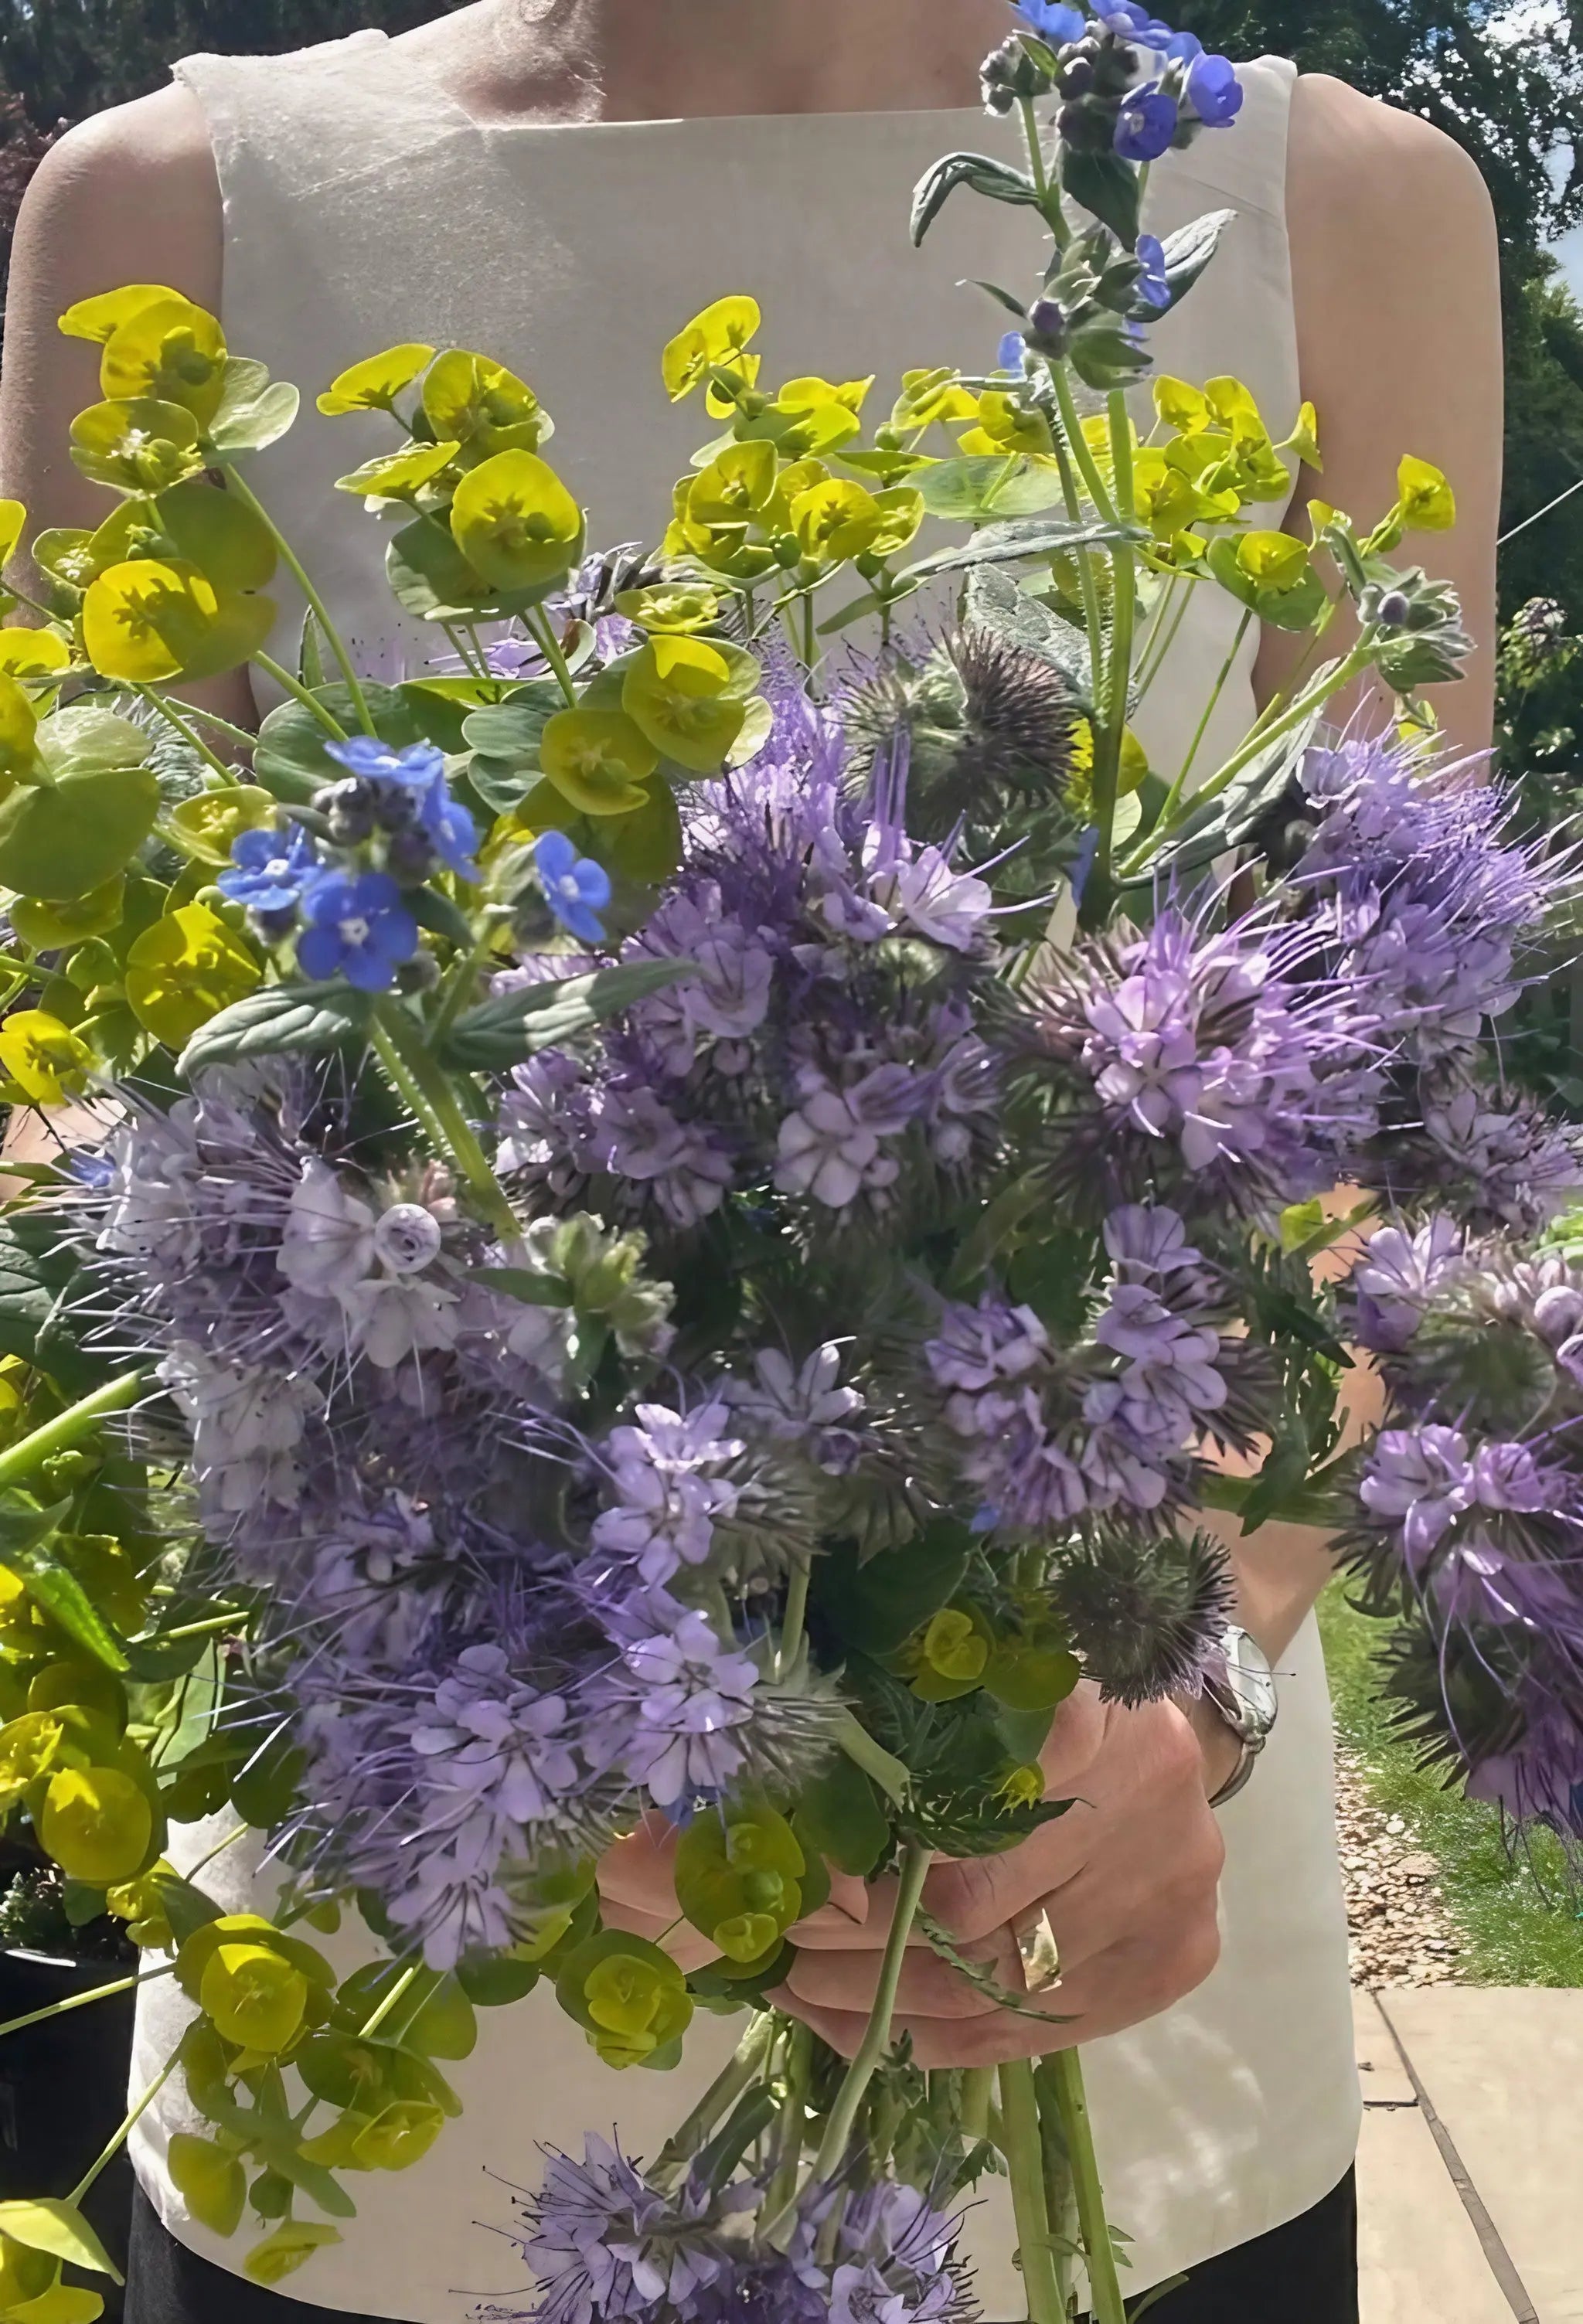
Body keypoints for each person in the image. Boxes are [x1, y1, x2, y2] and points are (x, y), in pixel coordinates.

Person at [0, 4, 1501, 2320]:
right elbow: (100, 1072)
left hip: (1108, 1939)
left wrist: (1190, 1673)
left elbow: (1388, 1114)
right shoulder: (171, 214)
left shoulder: (1350, 213)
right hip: (417, 1959)